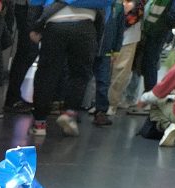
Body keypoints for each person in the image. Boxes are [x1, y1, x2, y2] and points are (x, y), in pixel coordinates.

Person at [27, 0, 114, 137]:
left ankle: (39, 124)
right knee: (79, 75)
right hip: (85, 26)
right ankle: (69, 113)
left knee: (46, 75)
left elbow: (35, 2)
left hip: (55, 24)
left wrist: (35, 25)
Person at [91, 1, 128, 124]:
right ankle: (72, 110)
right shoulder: (93, 4)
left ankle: (101, 111)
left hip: (106, 51)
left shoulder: (117, 7)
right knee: (81, 79)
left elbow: (120, 29)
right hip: (89, 48)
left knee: (103, 82)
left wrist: (116, 49)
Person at [5, 0, 40, 110]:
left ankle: (13, 97)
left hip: (25, 8)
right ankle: (12, 98)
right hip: (28, 9)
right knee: (26, 52)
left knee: (25, 53)